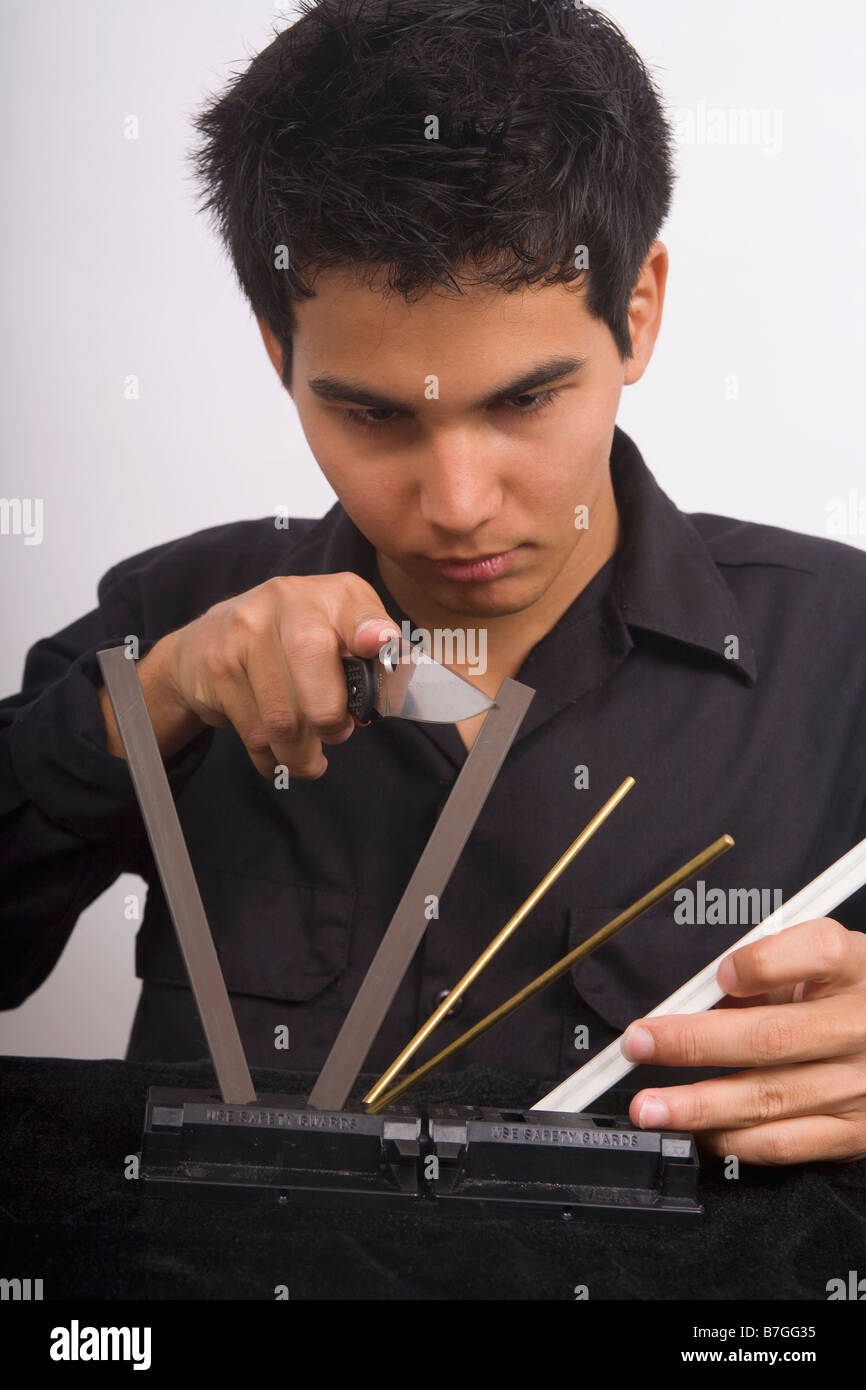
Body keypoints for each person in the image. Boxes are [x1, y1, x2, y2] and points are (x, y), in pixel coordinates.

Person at [2, 0, 865, 1164]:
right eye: (369, 414)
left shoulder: (842, 651)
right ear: (278, 353)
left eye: (521, 400)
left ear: (638, 312)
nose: (456, 503)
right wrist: (143, 709)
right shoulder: (167, 621)